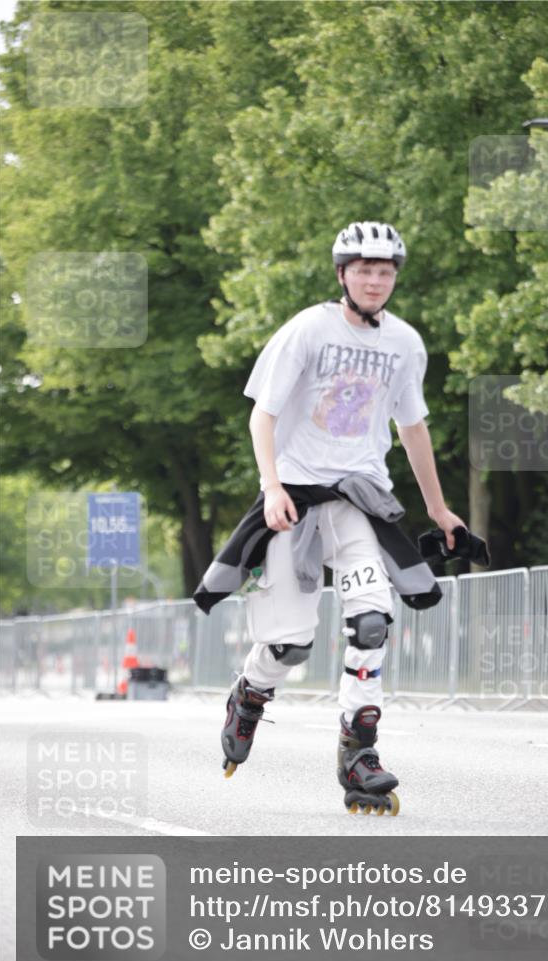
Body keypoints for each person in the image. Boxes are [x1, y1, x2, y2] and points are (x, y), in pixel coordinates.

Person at [199, 221, 466, 814]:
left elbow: (413, 428)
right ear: (343, 274)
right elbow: (261, 416)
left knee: (372, 622)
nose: (376, 280)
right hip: (294, 499)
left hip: (361, 501)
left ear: (395, 277)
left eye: (386, 271)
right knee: (290, 646)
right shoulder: (308, 329)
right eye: (365, 270)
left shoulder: (405, 344)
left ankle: (358, 751)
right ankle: (251, 693)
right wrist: (271, 487)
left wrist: (439, 507)